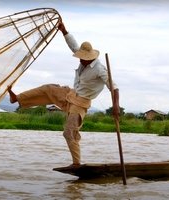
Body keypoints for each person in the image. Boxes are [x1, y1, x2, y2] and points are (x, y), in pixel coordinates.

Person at [7, 21, 120, 167]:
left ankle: (76, 163)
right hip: (70, 95)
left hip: (80, 104)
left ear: (91, 58)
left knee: (69, 132)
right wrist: (63, 30)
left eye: (84, 59)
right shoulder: (82, 58)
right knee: (48, 89)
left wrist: (116, 106)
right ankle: (17, 98)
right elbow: (73, 45)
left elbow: (114, 88)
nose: (81, 61)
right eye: (80, 58)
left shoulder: (100, 69)